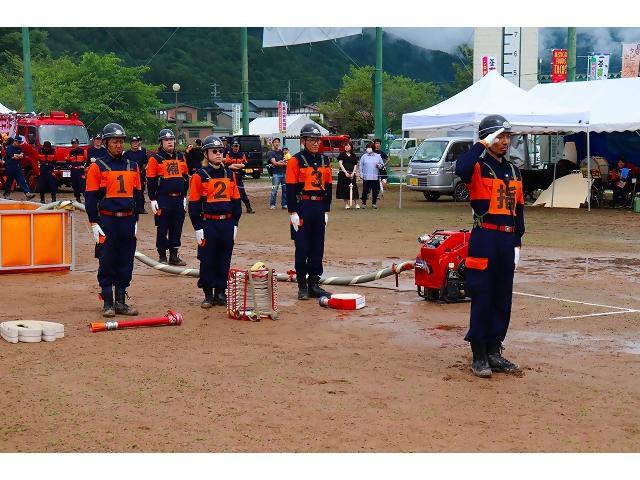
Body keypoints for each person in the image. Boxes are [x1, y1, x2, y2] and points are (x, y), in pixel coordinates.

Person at [454, 114, 524, 378]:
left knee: (502, 297)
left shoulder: (514, 170)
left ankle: (495, 351)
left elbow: (519, 210)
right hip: (484, 238)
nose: (505, 141)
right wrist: (482, 143)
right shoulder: (477, 167)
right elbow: (461, 168)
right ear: (488, 138)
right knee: (482, 295)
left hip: (507, 240)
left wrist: (517, 242)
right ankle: (479, 355)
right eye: (499, 137)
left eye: (507, 137)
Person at [84, 123, 142, 317]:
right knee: (107, 261)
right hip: (107, 221)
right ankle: (108, 303)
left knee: (126, 261)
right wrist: (94, 222)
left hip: (127, 220)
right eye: (114, 141)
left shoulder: (132, 166)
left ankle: (121, 303)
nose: (118, 145)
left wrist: (136, 220)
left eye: (121, 141)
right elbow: (90, 198)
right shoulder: (97, 167)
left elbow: (138, 195)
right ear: (106, 142)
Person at [188, 135, 242, 308]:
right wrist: (198, 228)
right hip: (209, 223)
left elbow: (236, 201)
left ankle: (220, 292)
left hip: (226, 222)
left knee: (224, 258)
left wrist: (235, 223)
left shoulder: (230, 174)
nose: (218, 153)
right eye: (214, 151)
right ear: (206, 154)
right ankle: (208, 293)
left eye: (220, 151)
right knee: (207, 259)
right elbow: (194, 204)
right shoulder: (199, 176)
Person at [285, 123, 333, 300]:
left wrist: (326, 210)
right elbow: (290, 188)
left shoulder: (325, 160)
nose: (315, 143)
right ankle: (302, 286)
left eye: (317, 140)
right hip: (303, 206)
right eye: (311, 139)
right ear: (303, 140)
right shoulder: (295, 161)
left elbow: (328, 187)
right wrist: (293, 212)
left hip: (319, 207)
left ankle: (314, 284)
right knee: (302, 247)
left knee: (317, 247)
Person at [146, 129, 190, 265]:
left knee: (177, 227)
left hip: (178, 198)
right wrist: (152, 199)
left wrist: (184, 195)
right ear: (161, 142)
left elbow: (185, 177)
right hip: (163, 199)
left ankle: (174, 255)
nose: (170, 142)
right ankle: (162, 256)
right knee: (162, 227)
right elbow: (151, 180)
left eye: (171, 139)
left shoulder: (181, 157)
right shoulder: (155, 159)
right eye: (166, 140)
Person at [225, 139, 255, 213]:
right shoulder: (229, 154)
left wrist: (234, 165)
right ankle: (230, 209)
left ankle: (248, 207)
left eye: (237, 146)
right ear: (232, 147)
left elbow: (244, 164)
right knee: (230, 192)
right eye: (234, 146)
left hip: (238, 176)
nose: (236, 148)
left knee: (242, 192)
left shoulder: (242, 154)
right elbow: (228, 165)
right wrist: (239, 165)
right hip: (230, 176)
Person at [123, 136, 148, 214]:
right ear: (131, 144)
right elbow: (123, 164)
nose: (135, 144)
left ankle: (141, 208)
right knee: (130, 191)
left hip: (140, 174)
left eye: (136, 142)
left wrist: (143, 172)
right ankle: (130, 207)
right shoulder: (126, 154)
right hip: (130, 175)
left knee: (140, 191)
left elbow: (145, 163)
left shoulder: (142, 153)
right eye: (133, 142)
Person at [335, 141, 360, 209]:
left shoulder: (353, 155)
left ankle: (356, 203)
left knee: (354, 188)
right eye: (345, 146)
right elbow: (340, 164)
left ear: (351, 147)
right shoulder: (342, 154)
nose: (346, 147)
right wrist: (345, 172)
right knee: (344, 188)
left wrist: (353, 173)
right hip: (343, 175)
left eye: (348, 146)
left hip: (352, 174)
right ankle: (346, 204)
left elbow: (355, 164)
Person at [359, 142, 383, 209]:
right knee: (365, 190)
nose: (368, 149)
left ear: (373, 148)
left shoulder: (378, 156)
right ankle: (363, 203)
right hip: (366, 177)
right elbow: (361, 166)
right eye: (367, 148)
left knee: (375, 190)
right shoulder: (364, 156)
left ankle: (374, 203)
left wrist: (379, 166)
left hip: (375, 176)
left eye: (370, 148)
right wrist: (361, 174)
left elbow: (382, 165)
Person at [268, 137, 287, 209]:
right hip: (276, 174)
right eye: (275, 142)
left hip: (284, 173)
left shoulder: (282, 152)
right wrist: (284, 164)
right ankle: (272, 204)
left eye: (278, 142)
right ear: (273, 143)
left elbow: (284, 160)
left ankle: (284, 204)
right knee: (274, 190)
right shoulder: (271, 152)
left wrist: (282, 162)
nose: (277, 143)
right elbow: (274, 163)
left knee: (285, 190)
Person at [68, 138, 86, 203]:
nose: (74, 145)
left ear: (78, 143)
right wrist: (69, 165)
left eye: (75, 143)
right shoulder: (71, 152)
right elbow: (67, 160)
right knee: (75, 185)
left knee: (83, 185)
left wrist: (84, 166)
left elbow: (87, 160)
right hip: (73, 171)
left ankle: (87, 199)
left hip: (80, 171)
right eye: (73, 143)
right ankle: (78, 198)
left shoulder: (83, 151)